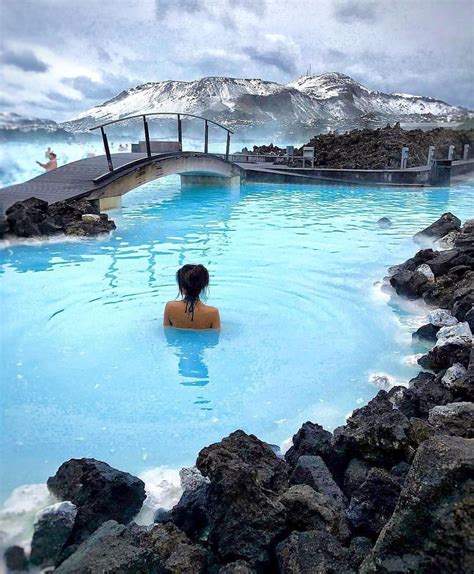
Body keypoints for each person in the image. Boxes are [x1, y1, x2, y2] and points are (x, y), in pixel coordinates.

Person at [163, 264, 220, 330]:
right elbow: (214, 337)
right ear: (203, 286)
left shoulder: (170, 307)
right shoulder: (212, 313)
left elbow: (167, 331)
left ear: (182, 287)